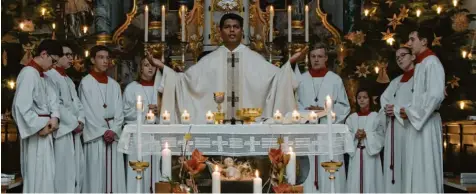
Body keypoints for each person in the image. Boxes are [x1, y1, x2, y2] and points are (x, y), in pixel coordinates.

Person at [148, 13, 307, 123]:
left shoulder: (255, 59)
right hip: (216, 125)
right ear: (220, 31)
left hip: (249, 126)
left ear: (242, 31)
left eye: (236, 27)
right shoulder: (209, 60)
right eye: (227, 27)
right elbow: (183, 82)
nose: (232, 30)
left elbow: (278, 79)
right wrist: (162, 66)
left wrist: (290, 63)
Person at [296, 43, 350, 193]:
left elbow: (344, 106)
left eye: (320, 56)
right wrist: (307, 112)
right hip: (308, 132)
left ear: (326, 58)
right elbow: (296, 103)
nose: (316, 60)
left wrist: (326, 112)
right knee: (309, 169)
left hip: (328, 133)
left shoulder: (335, 79)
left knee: (329, 169)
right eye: (313, 56)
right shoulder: (301, 79)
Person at [12, 39, 62, 193]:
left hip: (46, 129)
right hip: (36, 133)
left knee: (47, 175)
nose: (53, 66)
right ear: (43, 54)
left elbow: (54, 100)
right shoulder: (28, 74)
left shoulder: (44, 76)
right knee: (36, 174)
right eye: (53, 61)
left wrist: (54, 118)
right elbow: (20, 107)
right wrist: (41, 127)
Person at [400, 27, 444, 192]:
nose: (409, 43)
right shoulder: (421, 64)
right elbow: (420, 97)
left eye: (412, 39)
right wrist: (409, 110)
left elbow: (435, 95)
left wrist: (412, 112)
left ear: (424, 41)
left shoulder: (432, 62)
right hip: (418, 121)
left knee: (426, 167)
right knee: (416, 165)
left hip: (426, 123)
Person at [79, 45, 126, 193]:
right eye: (101, 57)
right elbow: (86, 111)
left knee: (113, 177)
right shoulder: (86, 83)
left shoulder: (114, 85)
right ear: (93, 60)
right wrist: (103, 131)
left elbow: (120, 111)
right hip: (96, 138)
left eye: (107, 58)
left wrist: (114, 130)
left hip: (112, 136)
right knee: (95, 176)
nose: (105, 61)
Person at [44, 42, 85, 193]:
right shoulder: (50, 76)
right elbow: (56, 105)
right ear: (57, 57)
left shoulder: (67, 79)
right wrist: (74, 124)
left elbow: (77, 103)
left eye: (71, 55)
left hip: (73, 130)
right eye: (67, 55)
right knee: (62, 172)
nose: (71, 58)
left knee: (75, 171)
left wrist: (81, 120)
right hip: (62, 132)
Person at [379, 46, 416, 192]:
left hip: (409, 129)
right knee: (393, 170)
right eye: (397, 57)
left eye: (403, 55)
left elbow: (420, 104)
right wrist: (386, 110)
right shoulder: (395, 82)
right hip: (393, 131)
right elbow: (384, 101)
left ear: (413, 56)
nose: (399, 58)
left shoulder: (420, 77)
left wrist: (396, 109)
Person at [123, 57, 161, 193]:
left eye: (153, 65)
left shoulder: (160, 88)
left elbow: (169, 112)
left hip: (155, 136)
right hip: (138, 137)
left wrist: (160, 111)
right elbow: (125, 113)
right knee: (136, 171)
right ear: (140, 68)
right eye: (146, 65)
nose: (150, 68)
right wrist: (144, 110)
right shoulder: (132, 88)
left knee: (154, 170)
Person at [346, 88, 384, 193]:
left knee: (371, 179)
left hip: (370, 154)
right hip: (356, 153)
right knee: (355, 180)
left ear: (370, 99)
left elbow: (381, 135)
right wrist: (354, 135)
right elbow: (346, 136)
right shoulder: (351, 118)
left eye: (365, 97)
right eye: (359, 97)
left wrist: (367, 135)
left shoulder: (376, 117)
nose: (362, 100)